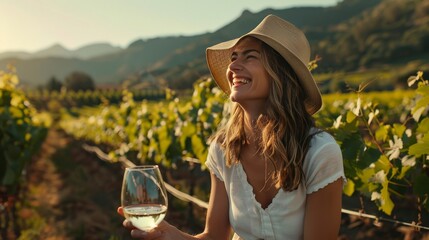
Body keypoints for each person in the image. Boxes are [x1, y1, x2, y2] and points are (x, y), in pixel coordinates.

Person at [118, 14, 346, 240]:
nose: (234, 65)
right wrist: (173, 235)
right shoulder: (223, 149)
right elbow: (215, 237)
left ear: (280, 74)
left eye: (250, 57)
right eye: (234, 57)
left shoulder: (319, 153)